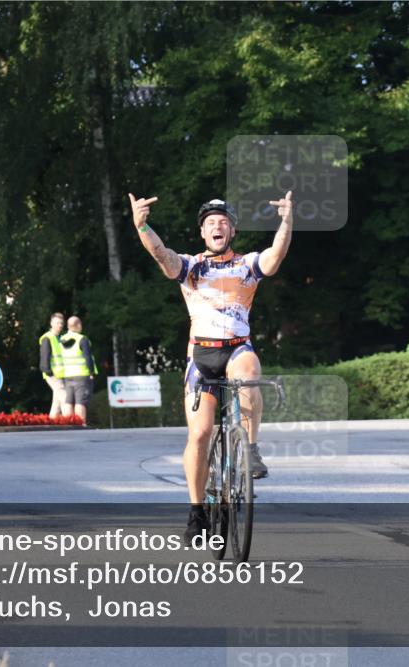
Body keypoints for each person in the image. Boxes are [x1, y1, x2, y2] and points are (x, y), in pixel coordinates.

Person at [128, 190, 293, 540]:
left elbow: (276, 257)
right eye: (210, 223)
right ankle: (197, 510)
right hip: (201, 356)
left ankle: (249, 448)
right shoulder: (190, 266)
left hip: (236, 348)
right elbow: (162, 254)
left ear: (231, 231)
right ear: (203, 233)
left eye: (223, 223)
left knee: (249, 371)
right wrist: (142, 227)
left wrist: (287, 223)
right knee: (200, 433)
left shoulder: (246, 264)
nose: (217, 227)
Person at [60, 316, 98, 425]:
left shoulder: (62, 340)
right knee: (80, 402)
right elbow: (87, 357)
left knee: (69, 401)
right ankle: (81, 424)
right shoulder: (82, 339)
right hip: (82, 375)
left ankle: (68, 424)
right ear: (78, 325)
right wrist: (91, 372)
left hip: (68, 375)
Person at [38, 312, 67, 418]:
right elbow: (45, 356)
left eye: (61, 323)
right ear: (51, 323)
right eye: (57, 323)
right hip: (52, 374)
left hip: (60, 374)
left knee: (57, 401)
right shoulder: (47, 338)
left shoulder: (60, 338)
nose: (60, 325)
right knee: (65, 397)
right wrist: (48, 371)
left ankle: (52, 421)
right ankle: (71, 421)